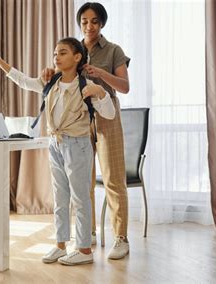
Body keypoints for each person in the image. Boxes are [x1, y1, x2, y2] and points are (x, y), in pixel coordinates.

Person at [0, 37, 115, 265]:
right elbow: (23, 81)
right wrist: (0, 63)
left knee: (80, 198)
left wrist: (100, 92)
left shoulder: (86, 85)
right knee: (60, 197)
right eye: (55, 53)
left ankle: (84, 250)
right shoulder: (50, 82)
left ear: (77, 57)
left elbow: (110, 114)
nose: (56, 56)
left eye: (63, 52)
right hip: (55, 143)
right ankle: (61, 244)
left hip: (78, 144)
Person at [43, 2, 131, 260]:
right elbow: (60, 78)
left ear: (101, 23)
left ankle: (120, 238)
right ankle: (87, 235)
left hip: (106, 116)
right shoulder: (74, 49)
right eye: (84, 21)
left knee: (114, 179)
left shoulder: (114, 50)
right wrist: (50, 71)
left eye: (93, 21)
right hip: (78, 121)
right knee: (83, 182)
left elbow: (125, 86)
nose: (89, 26)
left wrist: (101, 74)